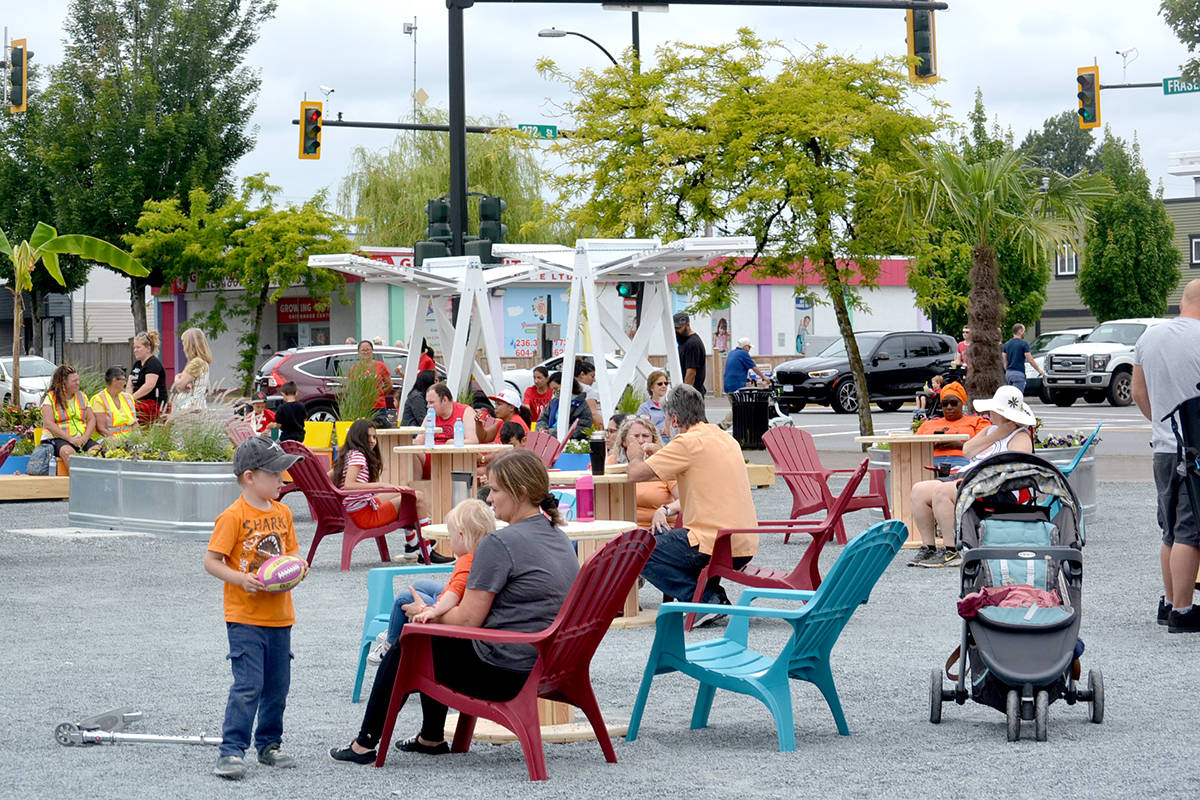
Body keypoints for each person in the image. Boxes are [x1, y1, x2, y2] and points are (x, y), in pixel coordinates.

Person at [329, 449, 579, 764]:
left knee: (412, 640)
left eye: (496, 490)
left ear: (522, 492)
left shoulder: (499, 543)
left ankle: (365, 744)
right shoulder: (558, 537)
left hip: (503, 670)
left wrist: (422, 612)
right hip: (547, 662)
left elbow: (466, 621)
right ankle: (430, 738)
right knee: (430, 633)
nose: (490, 499)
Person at [204, 436, 306, 780]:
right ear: (250, 477)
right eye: (276, 474)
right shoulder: (233, 516)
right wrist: (240, 578)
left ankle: (269, 745)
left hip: (281, 617)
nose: (283, 480)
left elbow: (289, 554)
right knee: (248, 685)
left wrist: (297, 567)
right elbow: (211, 561)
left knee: (278, 685)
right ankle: (230, 751)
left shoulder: (283, 512)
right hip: (245, 617)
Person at [624, 384, 757, 627]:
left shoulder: (686, 443)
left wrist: (633, 453)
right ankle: (712, 598)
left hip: (712, 543)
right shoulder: (722, 437)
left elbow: (636, 474)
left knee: (639, 548)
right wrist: (663, 451)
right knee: (668, 542)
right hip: (742, 543)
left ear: (674, 419)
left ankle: (705, 601)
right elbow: (696, 467)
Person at [1132, 279, 1200, 633]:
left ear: (1181, 303)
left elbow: (1138, 391)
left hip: (1162, 446)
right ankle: (1185, 612)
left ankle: (1170, 602)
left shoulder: (1149, 337)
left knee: (1170, 529)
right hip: (1195, 449)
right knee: (1192, 531)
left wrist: (1159, 421)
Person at [908, 385, 1036, 569]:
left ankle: (952, 550)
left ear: (1001, 413)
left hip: (996, 487)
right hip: (969, 477)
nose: (989, 412)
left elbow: (1013, 468)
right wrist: (998, 434)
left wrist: (1002, 434)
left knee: (942, 491)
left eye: (993, 409)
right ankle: (929, 546)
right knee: (919, 490)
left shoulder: (1021, 436)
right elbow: (967, 451)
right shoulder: (991, 431)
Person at [367, 499, 496, 665]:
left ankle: (390, 643)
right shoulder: (481, 556)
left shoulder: (466, 562)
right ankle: (393, 630)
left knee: (404, 598)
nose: (450, 542)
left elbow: (454, 594)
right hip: (456, 601)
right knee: (422, 584)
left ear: (462, 536)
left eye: (451, 537)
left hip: (449, 607)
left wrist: (432, 611)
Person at [332, 418, 447, 564]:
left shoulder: (349, 454)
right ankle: (427, 552)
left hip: (360, 508)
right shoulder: (358, 456)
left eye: (374, 437)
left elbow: (329, 475)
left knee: (405, 491)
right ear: (358, 437)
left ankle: (412, 544)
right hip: (365, 515)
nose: (373, 441)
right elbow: (349, 485)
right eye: (368, 437)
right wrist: (379, 485)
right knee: (417, 497)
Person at [608, 416, 680, 529]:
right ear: (624, 441)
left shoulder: (661, 464)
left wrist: (665, 510)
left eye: (646, 436)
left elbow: (684, 500)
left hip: (656, 529)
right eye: (636, 436)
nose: (641, 440)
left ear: (653, 439)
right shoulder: (612, 463)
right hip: (620, 530)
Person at [913, 381, 990, 470]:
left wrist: (960, 445)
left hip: (963, 461)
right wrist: (931, 445)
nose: (949, 407)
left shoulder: (978, 422)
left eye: (953, 403)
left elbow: (985, 446)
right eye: (945, 404)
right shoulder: (928, 424)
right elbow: (916, 446)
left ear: (962, 404)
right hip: (931, 461)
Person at [41, 365, 102, 466]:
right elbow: (49, 424)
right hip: (58, 438)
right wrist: (71, 439)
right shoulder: (51, 398)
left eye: (78, 380)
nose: (78, 383)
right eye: (74, 381)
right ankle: (77, 479)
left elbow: (91, 419)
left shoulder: (82, 396)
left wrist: (86, 437)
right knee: (67, 452)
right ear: (63, 383)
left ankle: (91, 478)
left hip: (81, 438)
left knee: (97, 451)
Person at [536, 371, 591, 439]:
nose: (554, 392)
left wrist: (550, 432)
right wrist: (542, 428)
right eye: (552, 389)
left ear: (566, 386)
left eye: (556, 389)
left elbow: (581, 428)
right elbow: (542, 418)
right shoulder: (553, 402)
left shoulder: (581, 406)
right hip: (549, 438)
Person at [128, 331, 168, 425]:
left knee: (127, 413)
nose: (135, 350)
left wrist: (132, 399)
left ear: (148, 348)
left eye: (138, 347)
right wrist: (127, 399)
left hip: (154, 403)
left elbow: (148, 386)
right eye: (134, 347)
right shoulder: (137, 364)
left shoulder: (153, 363)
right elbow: (130, 384)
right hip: (137, 401)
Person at [353, 339, 394, 428]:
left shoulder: (380, 366)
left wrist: (379, 395)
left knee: (380, 432)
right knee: (363, 432)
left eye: (368, 349)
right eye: (363, 350)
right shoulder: (355, 369)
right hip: (362, 408)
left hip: (379, 408)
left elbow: (389, 386)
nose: (366, 352)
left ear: (372, 351)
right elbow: (351, 388)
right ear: (359, 352)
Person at [90, 366, 138, 440]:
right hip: (109, 439)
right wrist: (114, 439)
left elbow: (134, 423)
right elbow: (101, 428)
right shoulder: (99, 399)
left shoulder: (128, 398)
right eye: (123, 380)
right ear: (114, 380)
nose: (125, 383)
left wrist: (138, 437)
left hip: (129, 439)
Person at [171, 327, 212, 412]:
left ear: (190, 344)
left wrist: (177, 377)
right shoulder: (202, 362)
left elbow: (179, 385)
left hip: (190, 407)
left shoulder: (196, 363)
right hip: (197, 405)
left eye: (184, 342)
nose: (182, 345)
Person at [1002, 323, 1043, 394]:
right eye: (1023, 330)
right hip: (1018, 373)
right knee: (1018, 396)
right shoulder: (1024, 344)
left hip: (1008, 374)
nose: (1024, 332)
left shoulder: (1006, 344)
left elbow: (1004, 360)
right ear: (1020, 331)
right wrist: (1039, 370)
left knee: (1010, 396)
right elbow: (1030, 360)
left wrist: (1007, 370)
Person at [673, 312, 707, 396]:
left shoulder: (692, 344)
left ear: (688, 325)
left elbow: (691, 372)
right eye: (675, 328)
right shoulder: (683, 341)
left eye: (679, 328)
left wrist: (685, 395)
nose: (676, 331)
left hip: (692, 395)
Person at [637, 370, 671, 441]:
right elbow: (642, 430)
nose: (664, 386)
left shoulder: (672, 405)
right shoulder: (644, 408)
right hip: (656, 440)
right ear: (651, 388)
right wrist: (659, 431)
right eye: (660, 384)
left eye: (666, 383)